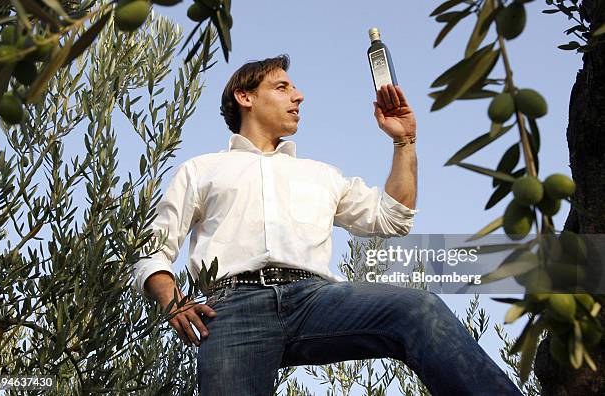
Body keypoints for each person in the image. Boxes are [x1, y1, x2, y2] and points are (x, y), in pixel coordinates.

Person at [133, 54, 522, 395]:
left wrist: (405, 143)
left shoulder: (322, 174)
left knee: (419, 309)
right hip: (232, 310)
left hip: (314, 299)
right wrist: (173, 300)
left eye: (295, 89)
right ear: (245, 97)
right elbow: (154, 247)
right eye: (282, 87)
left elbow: (392, 217)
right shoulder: (201, 170)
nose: (298, 96)